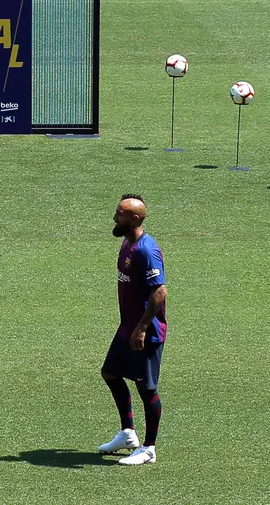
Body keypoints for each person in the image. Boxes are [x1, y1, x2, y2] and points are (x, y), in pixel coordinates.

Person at [97, 195, 167, 466]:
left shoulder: (146, 251)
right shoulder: (127, 243)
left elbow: (160, 291)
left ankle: (149, 448)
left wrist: (141, 328)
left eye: (120, 214)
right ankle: (128, 434)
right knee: (110, 373)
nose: (115, 218)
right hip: (127, 327)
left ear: (134, 219)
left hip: (145, 332)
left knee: (146, 388)